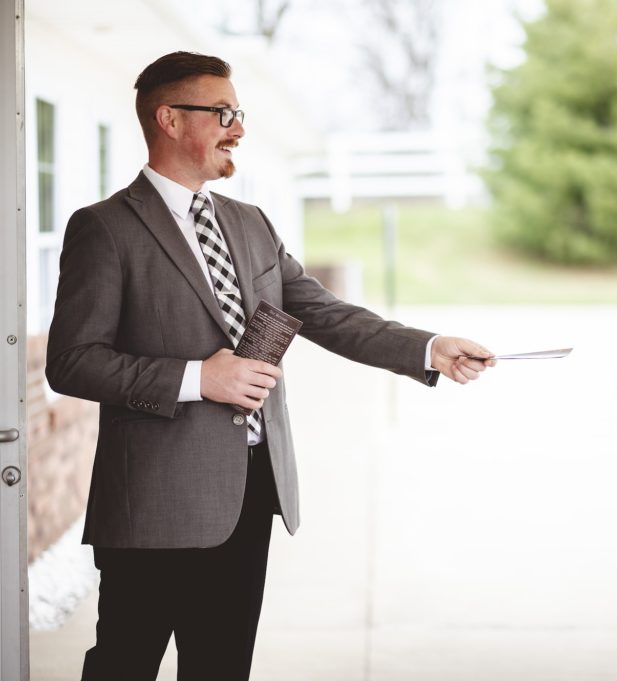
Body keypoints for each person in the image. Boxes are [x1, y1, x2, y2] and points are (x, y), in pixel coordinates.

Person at [45, 51, 496, 681]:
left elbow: (326, 313)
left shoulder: (251, 223)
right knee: (125, 665)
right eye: (223, 112)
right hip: (153, 507)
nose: (239, 128)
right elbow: (72, 362)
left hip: (250, 493)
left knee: (222, 667)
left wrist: (428, 348)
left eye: (240, 112)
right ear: (169, 119)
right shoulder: (104, 229)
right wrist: (199, 377)